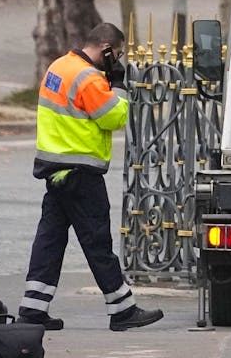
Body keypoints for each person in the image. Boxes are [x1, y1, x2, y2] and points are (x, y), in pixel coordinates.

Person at [18, 23, 164, 331]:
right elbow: (115, 117)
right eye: (118, 54)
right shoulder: (88, 78)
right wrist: (120, 83)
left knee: (50, 240)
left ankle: (32, 309)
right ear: (106, 48)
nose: (118, 60)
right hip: (80, 173)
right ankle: (123, 309)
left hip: (55, 170)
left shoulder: (59, 66)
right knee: (97, 240)